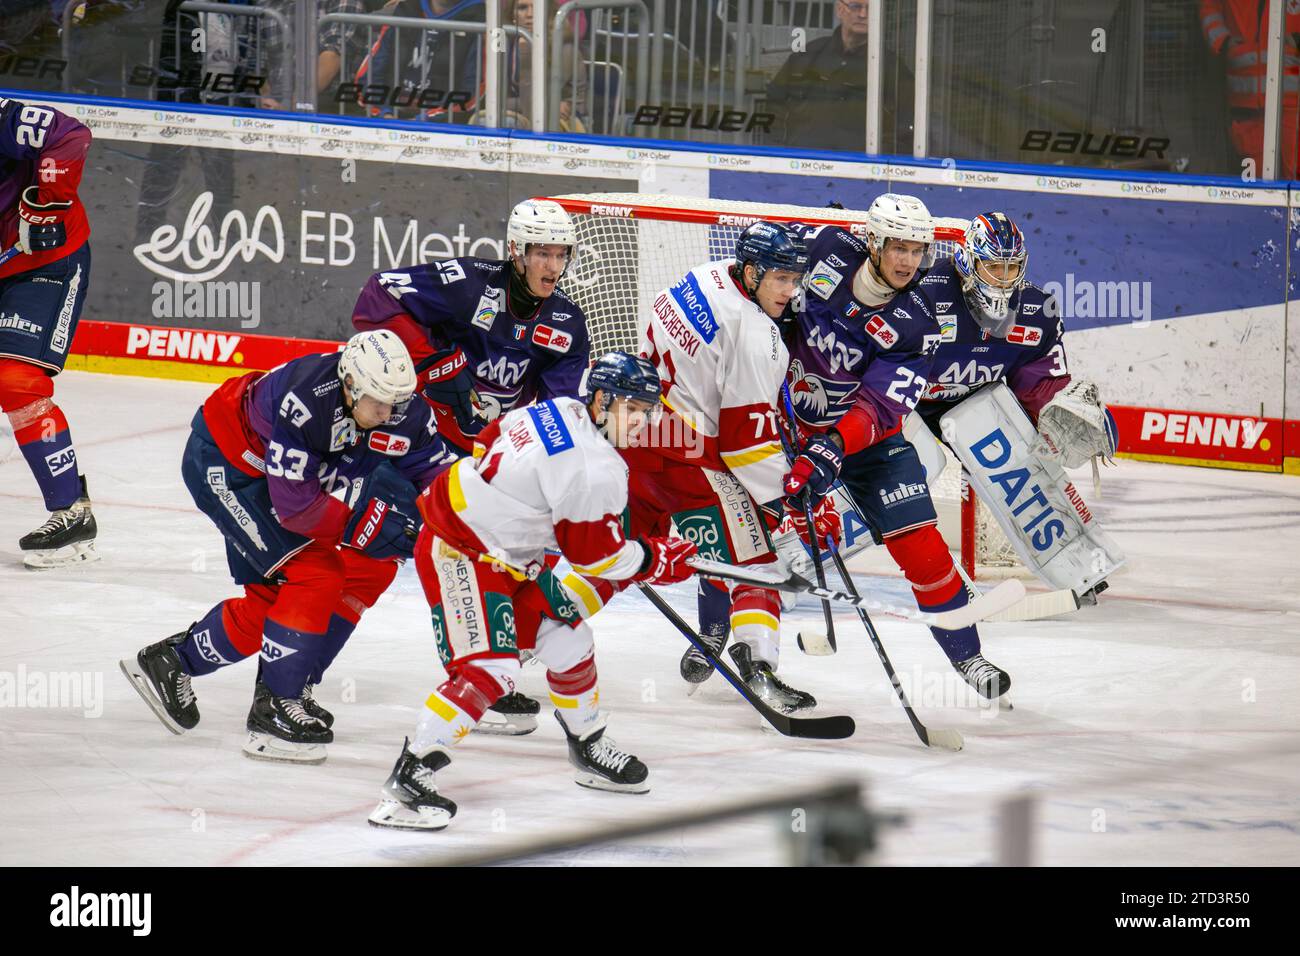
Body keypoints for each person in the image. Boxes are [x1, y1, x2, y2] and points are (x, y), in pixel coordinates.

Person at [368, 352, 697, 831]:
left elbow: (486, 441)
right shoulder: (595, 467)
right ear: (602, 400)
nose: (642, 422)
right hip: (459, 549)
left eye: (648, 412)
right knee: (490, 671)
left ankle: (587, 747)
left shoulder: (559, 408)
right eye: (633, 409)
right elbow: (595, 558)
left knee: (569, 640)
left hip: (505, 554)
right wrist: (656, 559)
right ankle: (408, 778)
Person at [120, 331, 457, 763]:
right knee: (314, 574)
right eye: (379, 401)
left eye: (398, 400)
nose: (390, 412)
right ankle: (273, 710)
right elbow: (296, 509)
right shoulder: (308, 399)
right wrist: (362, 524)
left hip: (291, 479)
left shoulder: (399, 408)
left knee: (364, 569)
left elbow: (436, 477)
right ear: (351, 385)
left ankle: (179, 663)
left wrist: (461, 520)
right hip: (229, 467)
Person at [763, 194, 1019, 702]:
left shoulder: (920, 322)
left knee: (921, 545)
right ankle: (718, 636)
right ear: (874, 241)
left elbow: (881, 406)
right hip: (785, 420)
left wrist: (834, 446)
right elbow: (763, 274)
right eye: (898, 247)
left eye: (918, 250)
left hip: (866, 442)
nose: (908, 260)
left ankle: (968, 656)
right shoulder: (826, 250)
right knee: (745, 534)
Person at [350, 196, 590, 732]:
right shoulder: (469, 284)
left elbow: (559, 414)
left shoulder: (568, 325)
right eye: (541, 253)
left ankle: (486, 666)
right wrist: (435, 363)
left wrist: (546, 470)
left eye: (561, 254)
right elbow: (377, 296)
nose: (553, 266)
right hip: (419, 442)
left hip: (486, 460)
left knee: (502, 560)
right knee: (391, 556)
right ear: (516, 252)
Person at [565, 223, 823, 715]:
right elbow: (745, 446)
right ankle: (760, 670)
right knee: (759, 564)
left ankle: (541, 628)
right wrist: (787, 507)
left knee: (613, 555)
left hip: (635, 442)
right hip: (687, 461)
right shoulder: (756, 336)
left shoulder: (698, 278)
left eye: (796, 280)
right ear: (751, 272)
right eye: (781, 280)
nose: (791, 293)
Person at [0, 95, 96, 569]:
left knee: (16, 380)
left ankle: (70, 512)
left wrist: (47, 204)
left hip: (45, 263)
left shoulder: (3, 117)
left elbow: (68, 133)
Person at [764, 0, 915, 154]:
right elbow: (774, 104)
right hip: (800, 164)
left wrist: (883, 159)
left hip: (859, 169)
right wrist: (778, 151)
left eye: (871, 9)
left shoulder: (890, 67)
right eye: (856, 6)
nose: (863, 14)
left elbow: (909, 123)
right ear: (839, 10)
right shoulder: (808, 55)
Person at [1201, 0, 1300, 178]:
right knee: (1256, 186)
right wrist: (1224, 42)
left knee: (1296, 177)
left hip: (1292, 99)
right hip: (1246, 99)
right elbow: (1209, 7)